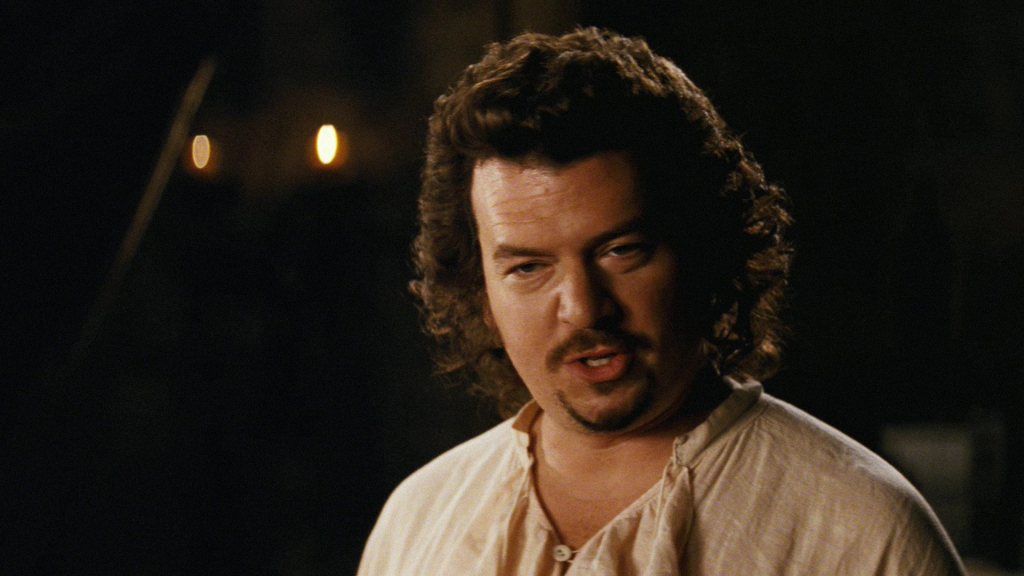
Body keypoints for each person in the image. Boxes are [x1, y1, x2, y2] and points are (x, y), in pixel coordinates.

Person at [357, 28, 965, 575]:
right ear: (480, 292)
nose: (583, 309)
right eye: (528, 268)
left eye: (621, 250)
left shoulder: (860, 531)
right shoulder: (419, 520)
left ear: (704, 247)